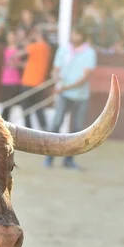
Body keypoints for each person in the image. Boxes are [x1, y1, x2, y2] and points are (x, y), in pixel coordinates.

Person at [45, 26, 96, 170]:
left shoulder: (89, 53)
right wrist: (56, 80)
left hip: (80, 96)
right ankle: (49, 157)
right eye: (73, 34)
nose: (74, 37)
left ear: (82, 36)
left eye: (77, 34)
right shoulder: (64, 50)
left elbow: (85, 78)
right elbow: (55, 70)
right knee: (56, 124)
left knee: (77, 129)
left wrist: (65, 87)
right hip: (64, 94)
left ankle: (68, 160)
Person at [19, 27, 51, 130]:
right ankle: (44, 127)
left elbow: (21, 51)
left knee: (26, 108)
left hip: (29, 81)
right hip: (39, 82)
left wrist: (30, 37)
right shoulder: (47, 48)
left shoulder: (35, 47)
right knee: (38, 108)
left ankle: (28, 129)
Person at [0, 31, 22, 121]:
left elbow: (21, 64)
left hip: (15, 80)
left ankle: (3, 122)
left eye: (13, 37)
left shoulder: (19, 50)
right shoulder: (5, 50)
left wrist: (16, 64)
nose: (11, 38)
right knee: (5, 103)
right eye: (9, 37)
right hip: (5, 79)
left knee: (9, 104)